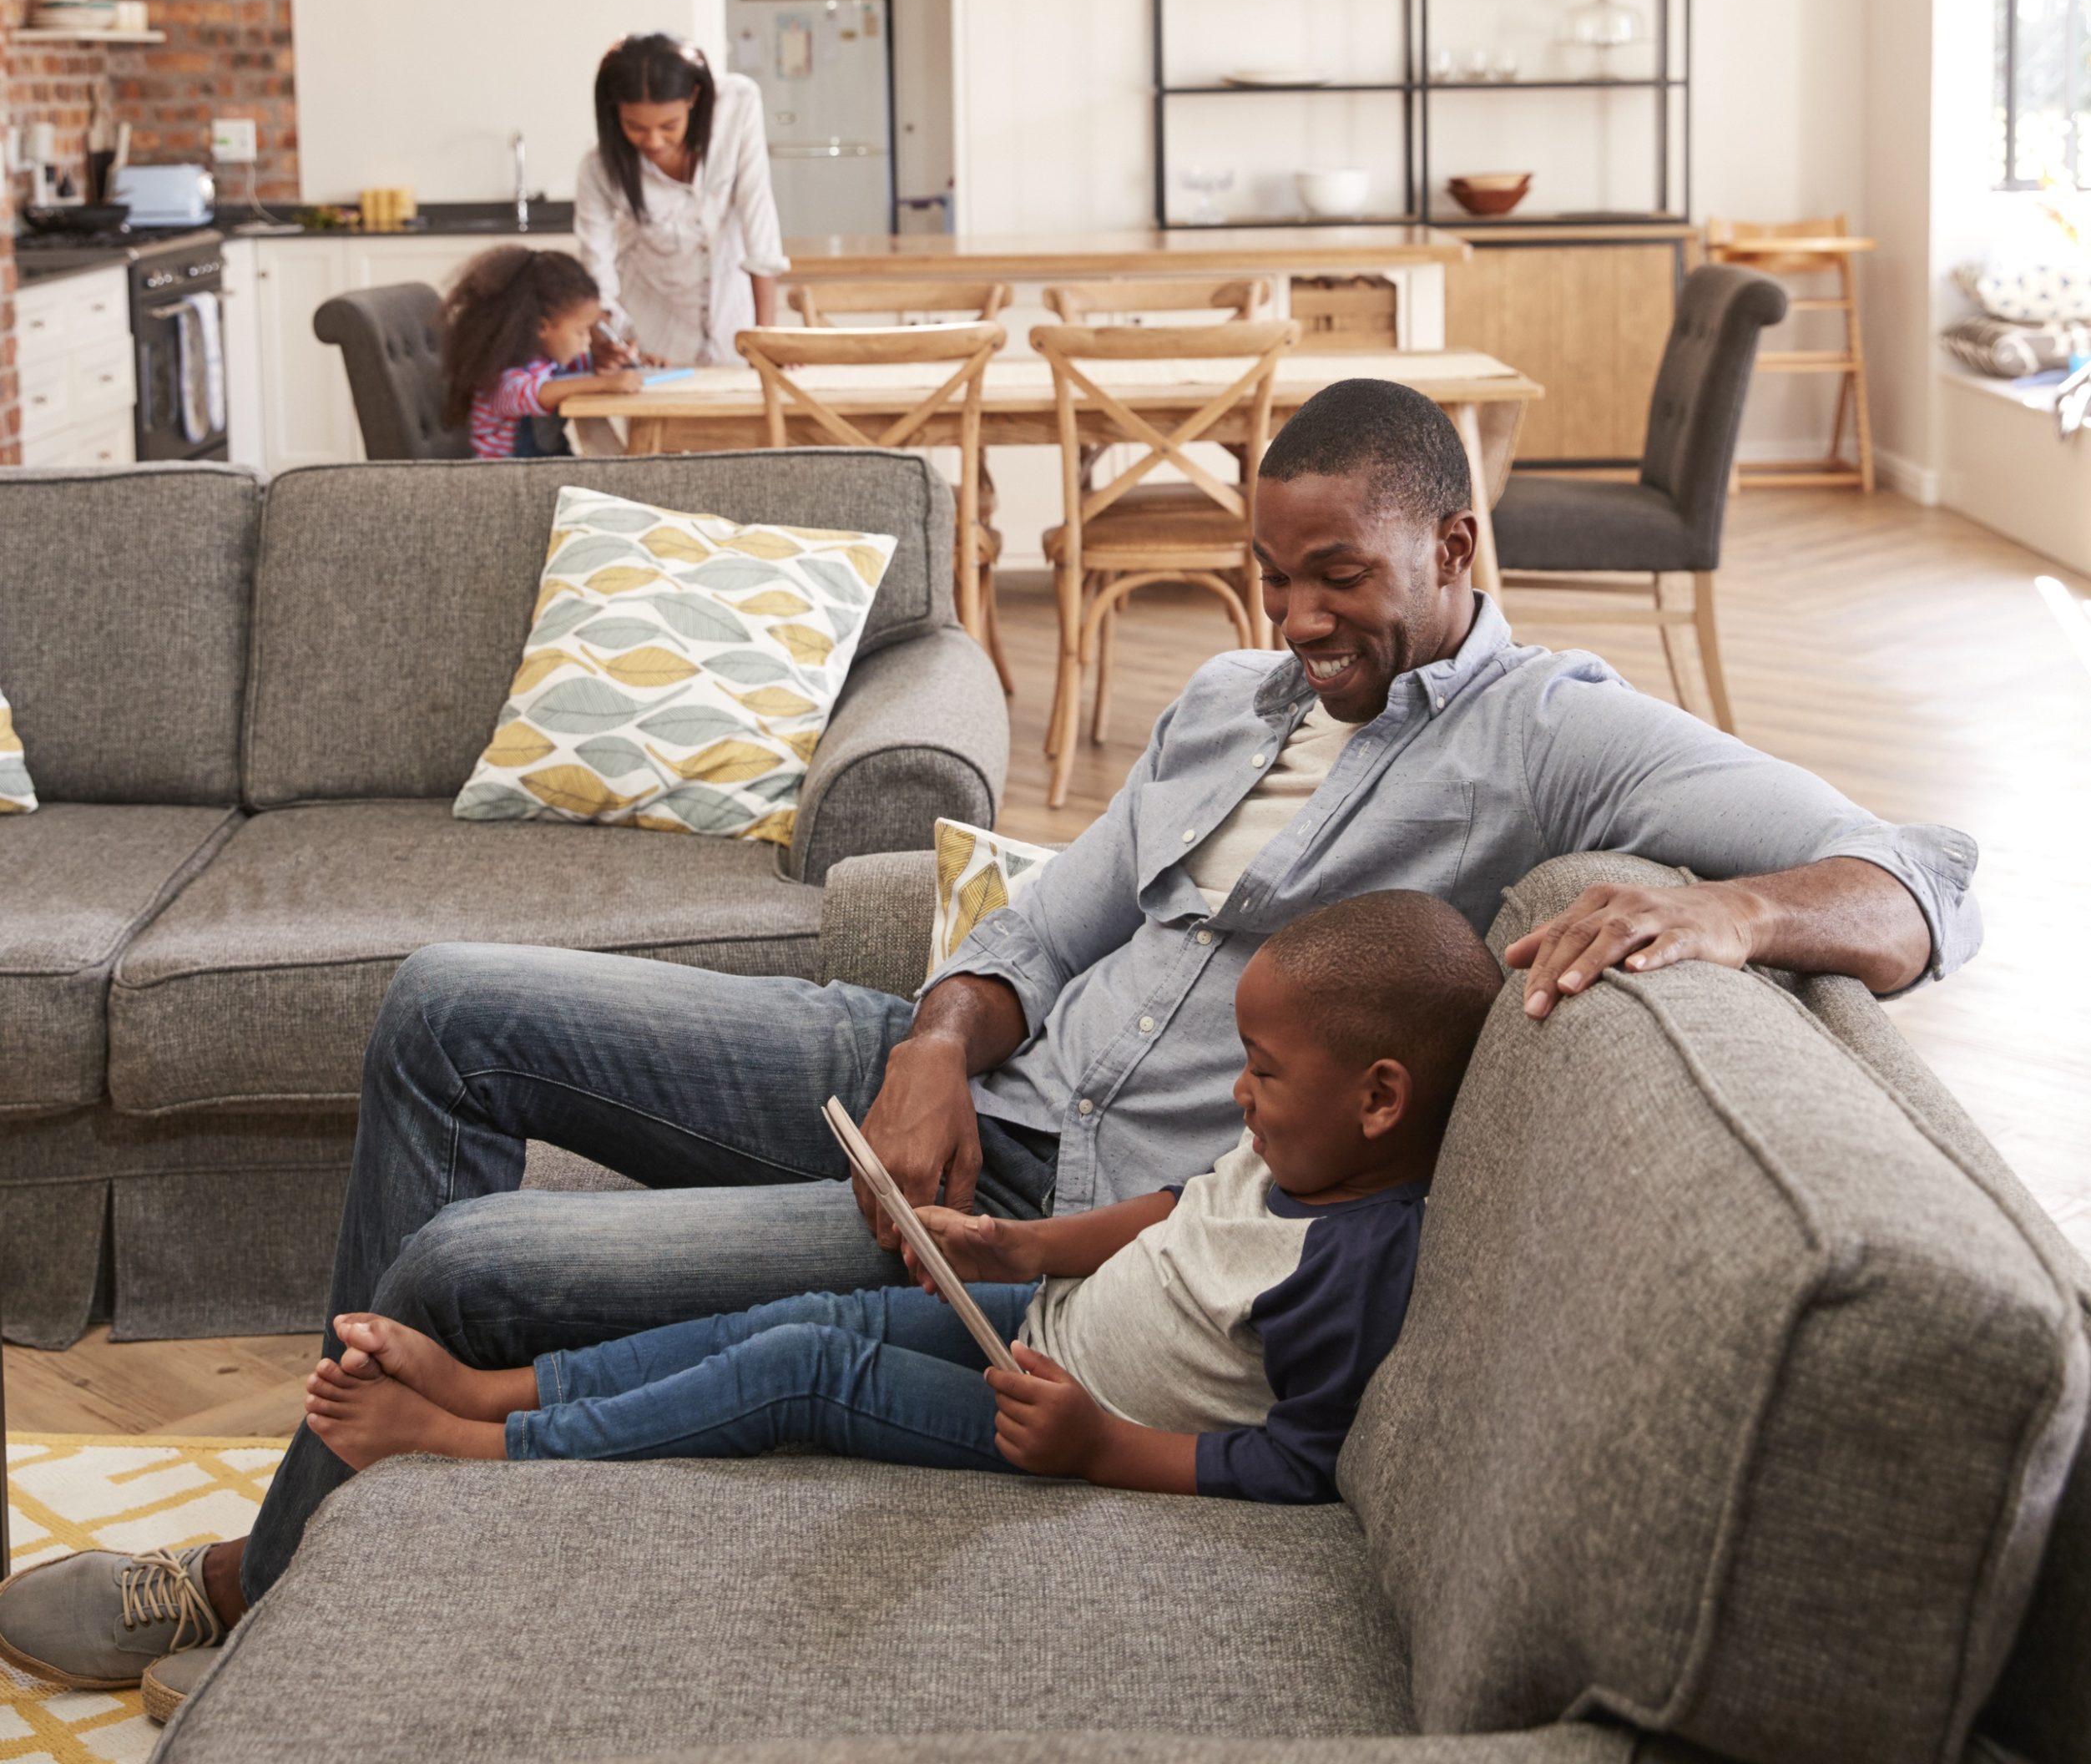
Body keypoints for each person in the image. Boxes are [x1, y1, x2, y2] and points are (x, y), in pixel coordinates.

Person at [0, 377, 1981, 1691]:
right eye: (1274, 569)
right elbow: (1058, 908)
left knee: (471, 1264)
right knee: (441, 1001)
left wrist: (1731, 909)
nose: (1298, 615)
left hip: (1067, 1203)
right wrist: (942, 1029)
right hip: (963, 1074)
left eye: (1344, 576)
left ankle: (284, 1580)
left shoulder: (1547, 728)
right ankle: (338, 1538)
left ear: (1456, 549)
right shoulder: (1228, 696)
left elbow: (1916, 874)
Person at [295, 890, 1500, 1503]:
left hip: (1056, 1418)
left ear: (1381, 1099)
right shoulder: (1297, 1153)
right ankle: (496, 1386)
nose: (1239, 1094)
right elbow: (1180, 1210)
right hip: (1035, 1326)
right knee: (805, 1317)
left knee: (806, 1375)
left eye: (1263, 1073)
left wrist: (1100, 1448)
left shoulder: (1359, 1261)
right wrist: (1020, 1250)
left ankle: (485, 1444)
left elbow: (1294, 1468)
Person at [573, 30, 789, 367]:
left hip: (734, 316)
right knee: (661, 416)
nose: (654, 141)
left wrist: (767, 338)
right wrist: (608, 340)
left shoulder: (737, 105)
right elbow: (597, 270)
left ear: (694, 96)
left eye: (669, 125)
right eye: (635, 127)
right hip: (654, 326)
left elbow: (758, 217)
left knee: (738, 415)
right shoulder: (598, 168)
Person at [437, 245, 641, 459]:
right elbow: (536, 393)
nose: (587, 340)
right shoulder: (501, 376)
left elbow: (581, 367)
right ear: (542, 328)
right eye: (580, 332)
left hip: (543, 466)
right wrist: (605, 384)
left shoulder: (546, 362)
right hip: (504, 477)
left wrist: (618, 361)